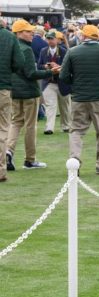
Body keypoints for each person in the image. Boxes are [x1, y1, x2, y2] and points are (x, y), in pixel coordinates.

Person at [59, 24, 99, 175]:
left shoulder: (73, 51)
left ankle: (74, 163)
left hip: (79, 97)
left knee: (76, 131)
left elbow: (63, 76)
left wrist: (75, 84)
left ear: (83, 36)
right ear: (97, 36)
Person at [6, 19, 56, 171]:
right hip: (28, 92)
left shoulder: (12, 47)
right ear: (19, 33)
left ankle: (8, 151)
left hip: (15, 91)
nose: (32, 33)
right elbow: (30, 73)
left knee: (15, 122)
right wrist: (50, 72)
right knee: (30, 126)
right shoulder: (26, 49)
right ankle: (30, 160)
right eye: (28, 31)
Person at [0, 19, 25, 182]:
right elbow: (19, 63)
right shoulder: (9, 37)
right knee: (2, 130)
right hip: (3, 88)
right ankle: (1, 171)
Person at [38, 30, 71, 135]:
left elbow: (68, 67)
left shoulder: (64, 51)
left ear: (57, 39)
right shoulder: (43, 51)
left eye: (52, 38)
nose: (50, 41)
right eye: (48, 38)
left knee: (64, 107)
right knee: (50, 106)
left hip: (62, 83)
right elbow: (39, 65)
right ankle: (49, 128)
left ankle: (66, 126)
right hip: (49, 83)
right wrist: (45, 66)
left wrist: (57, 66)